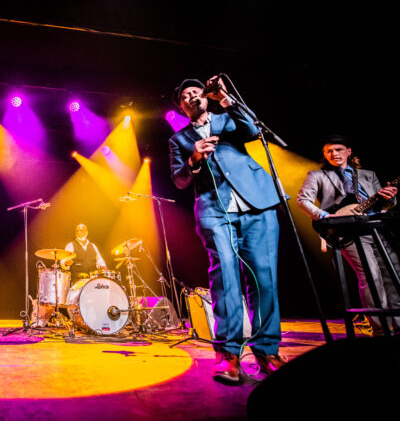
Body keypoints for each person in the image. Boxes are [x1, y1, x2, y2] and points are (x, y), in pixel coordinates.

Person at [168, 76, 286, 384]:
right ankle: (229, 354)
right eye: (186, 95)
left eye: (197, 91)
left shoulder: (228, 119)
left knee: (264, 279)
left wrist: (225, 98)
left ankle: (267, 352)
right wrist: (194, 159)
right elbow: (179, 180)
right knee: (226, 279)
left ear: (205, 97)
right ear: (181, 106)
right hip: (215, 211)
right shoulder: (179, 140)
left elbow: (253, 130)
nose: (192, 96)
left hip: (257, 204)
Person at [297, 134, 399, 335]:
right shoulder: (317, 176)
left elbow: (385, 203)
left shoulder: (368, 174)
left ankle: (398, 323)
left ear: (348, 152)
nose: (334, 154)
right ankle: (381, 328)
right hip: (347, 232)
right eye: (329, 151)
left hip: (375, 227)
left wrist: (390, 198)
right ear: (324, 154)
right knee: (371, 275)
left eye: (338, 150)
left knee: (393, 273)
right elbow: (303, 201)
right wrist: (325, 216)